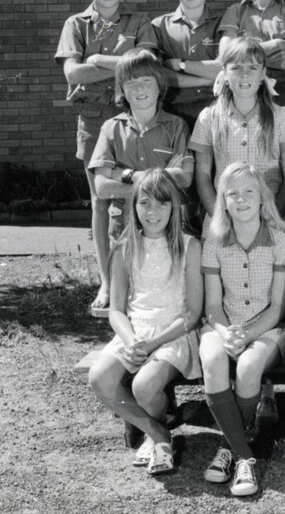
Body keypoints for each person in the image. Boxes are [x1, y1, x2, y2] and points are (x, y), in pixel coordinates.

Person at [55, 0, 155, 312]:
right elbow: (72, 73)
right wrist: (119, 65)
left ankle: (144, 278)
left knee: (141, 194)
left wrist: (95, 61)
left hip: (135, 119)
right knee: (101, 200)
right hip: (95, 121)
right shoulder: (76, 25)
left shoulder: (140, 21)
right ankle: (107, 282)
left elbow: (147, 66)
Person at [87, 169, 202, 475]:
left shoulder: (189, 246)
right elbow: (117, 310)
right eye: (145, 203)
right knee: (100, 377)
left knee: (145, 385)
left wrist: (154, 343)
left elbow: (193, 312)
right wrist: (131, 340)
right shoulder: (125, 248)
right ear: (134, 205)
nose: (153, 212)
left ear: (174, 208)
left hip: (174, 333)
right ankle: (157, 433)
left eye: (162, 204)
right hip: (134, 333)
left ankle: (158, 437)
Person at [199, 162, 285, 497]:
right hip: (222, 324)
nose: (241, 199)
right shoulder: (214, 242)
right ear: (222, 201)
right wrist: (225, 334)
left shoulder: (279, 240)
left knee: (250, 367)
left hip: (266, 328)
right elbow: (211, 306)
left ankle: (228, 447)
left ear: (262, 197)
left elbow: (278, 307)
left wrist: (247, 336)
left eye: (248, 191)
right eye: (232, 193)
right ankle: (244, 457)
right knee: (212, 361)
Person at [190, 36, 285, 231]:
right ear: (224, 73)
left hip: (272, 219)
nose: (244, 75)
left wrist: (269, 218)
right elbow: (203, 177)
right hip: (224, 221)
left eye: (253, 68)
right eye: (236, 68)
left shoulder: (281, 116)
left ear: (263, 73)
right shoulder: (209, 117)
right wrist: (222, 219)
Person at [88, 49, 193, 239]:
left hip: (167, 227)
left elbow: (184, 177)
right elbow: (102, 187)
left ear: (160, 85)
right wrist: (159, 179)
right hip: (124, 227)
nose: (139, 88)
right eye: (131, 82)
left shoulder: (177, 126)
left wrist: (122, 175)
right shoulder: (110, 128)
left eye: (146, 80)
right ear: (121, 89)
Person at [151, 0, 223, 130]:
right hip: (172, 117)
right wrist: (207, 79)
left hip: (217, 114)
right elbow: (158, 76)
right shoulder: (159, 26)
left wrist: (179, 65)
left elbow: (227, 70)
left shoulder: (223, 24)